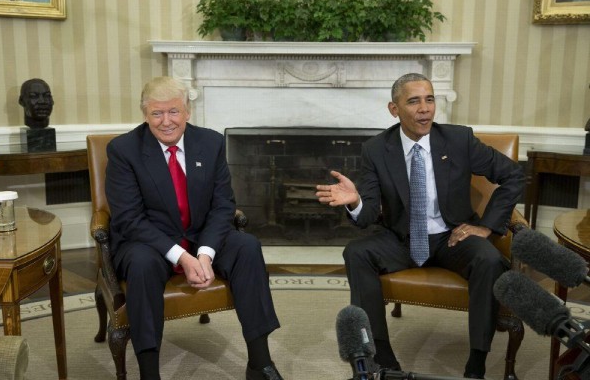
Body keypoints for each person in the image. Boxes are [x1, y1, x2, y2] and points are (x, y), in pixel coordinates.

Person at [316, 73, 524, 379]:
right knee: (357, 253)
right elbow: (368, 214)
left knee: (489, 259)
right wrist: (355, 201)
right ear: (394, 109)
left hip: (452, 236)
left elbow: (513, 175)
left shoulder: (458, 140)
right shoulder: (376, 149)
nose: (424, 108)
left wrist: (487, 228)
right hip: (403, 238)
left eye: (429, 99)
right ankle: (382, 359)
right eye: (414, 101)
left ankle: (477, 361)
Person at [105, 76, 283, 380]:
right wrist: (182, 257)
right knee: (142, 264)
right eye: (156, 114)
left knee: (247, 246)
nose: (166, 122)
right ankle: (149, 373)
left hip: (201, 235)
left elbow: (223, 204)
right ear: (145, 115)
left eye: (173, 111)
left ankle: (260, 363)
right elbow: (129, 219)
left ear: (187, 111)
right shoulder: (124, 150)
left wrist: (204, 254)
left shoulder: (211, 142)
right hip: (148, 242)